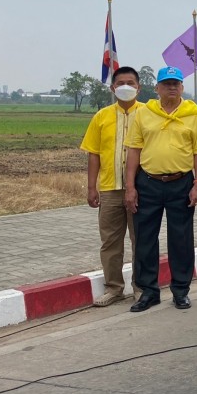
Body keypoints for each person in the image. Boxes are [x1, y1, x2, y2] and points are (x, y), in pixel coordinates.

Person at [124, 66, 197, 312]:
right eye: (166, 84)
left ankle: (181, 291)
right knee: (145, 239)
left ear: (182, 87)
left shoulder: (195, 114)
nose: (171, 87)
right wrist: (130, 187)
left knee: (181, 239)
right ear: (157, 88)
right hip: (148, 182)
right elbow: (134, 150)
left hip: (181, 183)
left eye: (176, 83)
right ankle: (148, 292)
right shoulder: (144, 113)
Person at [79, 66, 143, 306]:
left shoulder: (148, 114)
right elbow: (93, 154)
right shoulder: (101, 117)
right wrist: (91, 187)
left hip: (141, 189)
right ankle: (114, 288)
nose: (126, 87)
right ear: (112, 88)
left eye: (130, 83)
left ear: (139, 87)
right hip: (109, 189)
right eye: (120, 83)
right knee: (110, 242)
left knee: (141, 240)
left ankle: (141, 287)